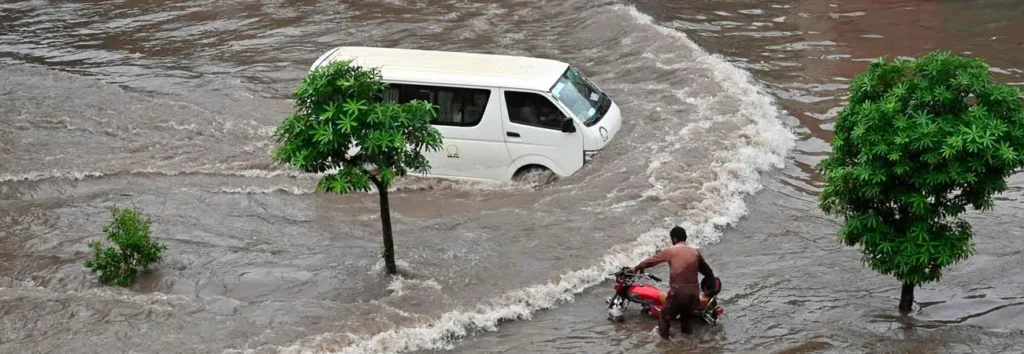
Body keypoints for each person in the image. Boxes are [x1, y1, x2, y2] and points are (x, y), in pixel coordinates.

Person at [629, 226, 714, 339]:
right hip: (694, 295)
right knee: (685, 319)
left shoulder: (671, 251)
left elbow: (651, 261)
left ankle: (665, 345)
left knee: (664, 317)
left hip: (678, 293)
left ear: (674, 239)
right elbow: (707, 271)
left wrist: (636, 268)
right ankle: (689, 344)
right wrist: (712, 284)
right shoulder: (695, 253)